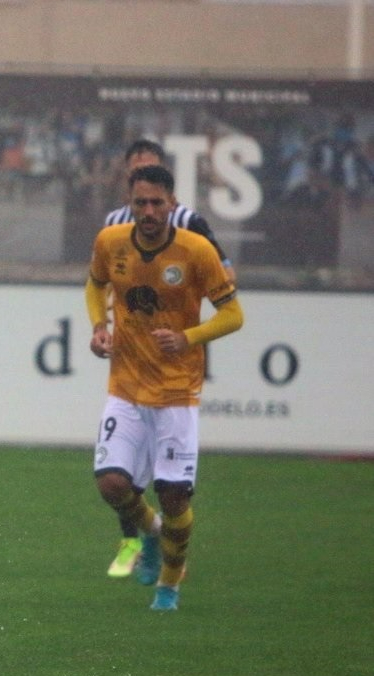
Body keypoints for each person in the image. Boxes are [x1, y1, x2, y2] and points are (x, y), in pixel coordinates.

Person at [86, 164, 243, 611]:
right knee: (112, 484)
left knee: (173, 495)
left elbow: (233, 315)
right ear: (130, 205)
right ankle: (151, 537)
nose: (150, 211)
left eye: (158, 203)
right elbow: (95, 285)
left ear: (172, 205)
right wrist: (100, 327)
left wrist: (187, 337)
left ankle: (169, 586)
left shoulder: (196, 251)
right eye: (141, 203)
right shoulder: (110, 242)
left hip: (177, 393)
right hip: (126, 388)